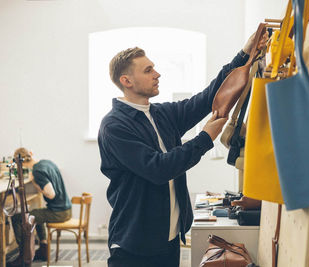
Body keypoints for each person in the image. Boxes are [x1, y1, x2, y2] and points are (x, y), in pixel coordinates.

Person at [98, 31, 268, 267]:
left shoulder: (161, 114)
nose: (157, 74)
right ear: (126, 81)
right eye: (148, 70)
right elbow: (158, 168)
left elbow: (209, 97)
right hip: (133, 246)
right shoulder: (114, 126)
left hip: (168, 241)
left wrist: (244, 54)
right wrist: (206, 137)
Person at [8, 148, 72, 266]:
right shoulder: (46, 162)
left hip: (59, 213)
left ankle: (23, 255)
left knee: (18, 218)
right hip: (66, 209)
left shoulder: (38, 171)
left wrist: (35, 183)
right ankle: (43, 249)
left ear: (20, 163)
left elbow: (51, 194)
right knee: (37, 214)